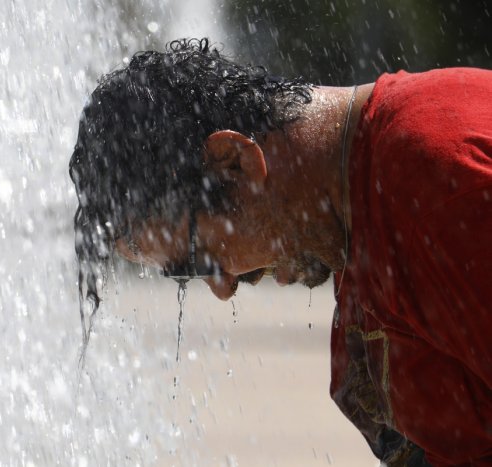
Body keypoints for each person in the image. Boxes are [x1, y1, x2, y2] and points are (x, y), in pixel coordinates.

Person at [69, 38, 492, 466]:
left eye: (199, 259)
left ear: (236, 163)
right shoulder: (364, 215)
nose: (222, 288)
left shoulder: (436, 185)